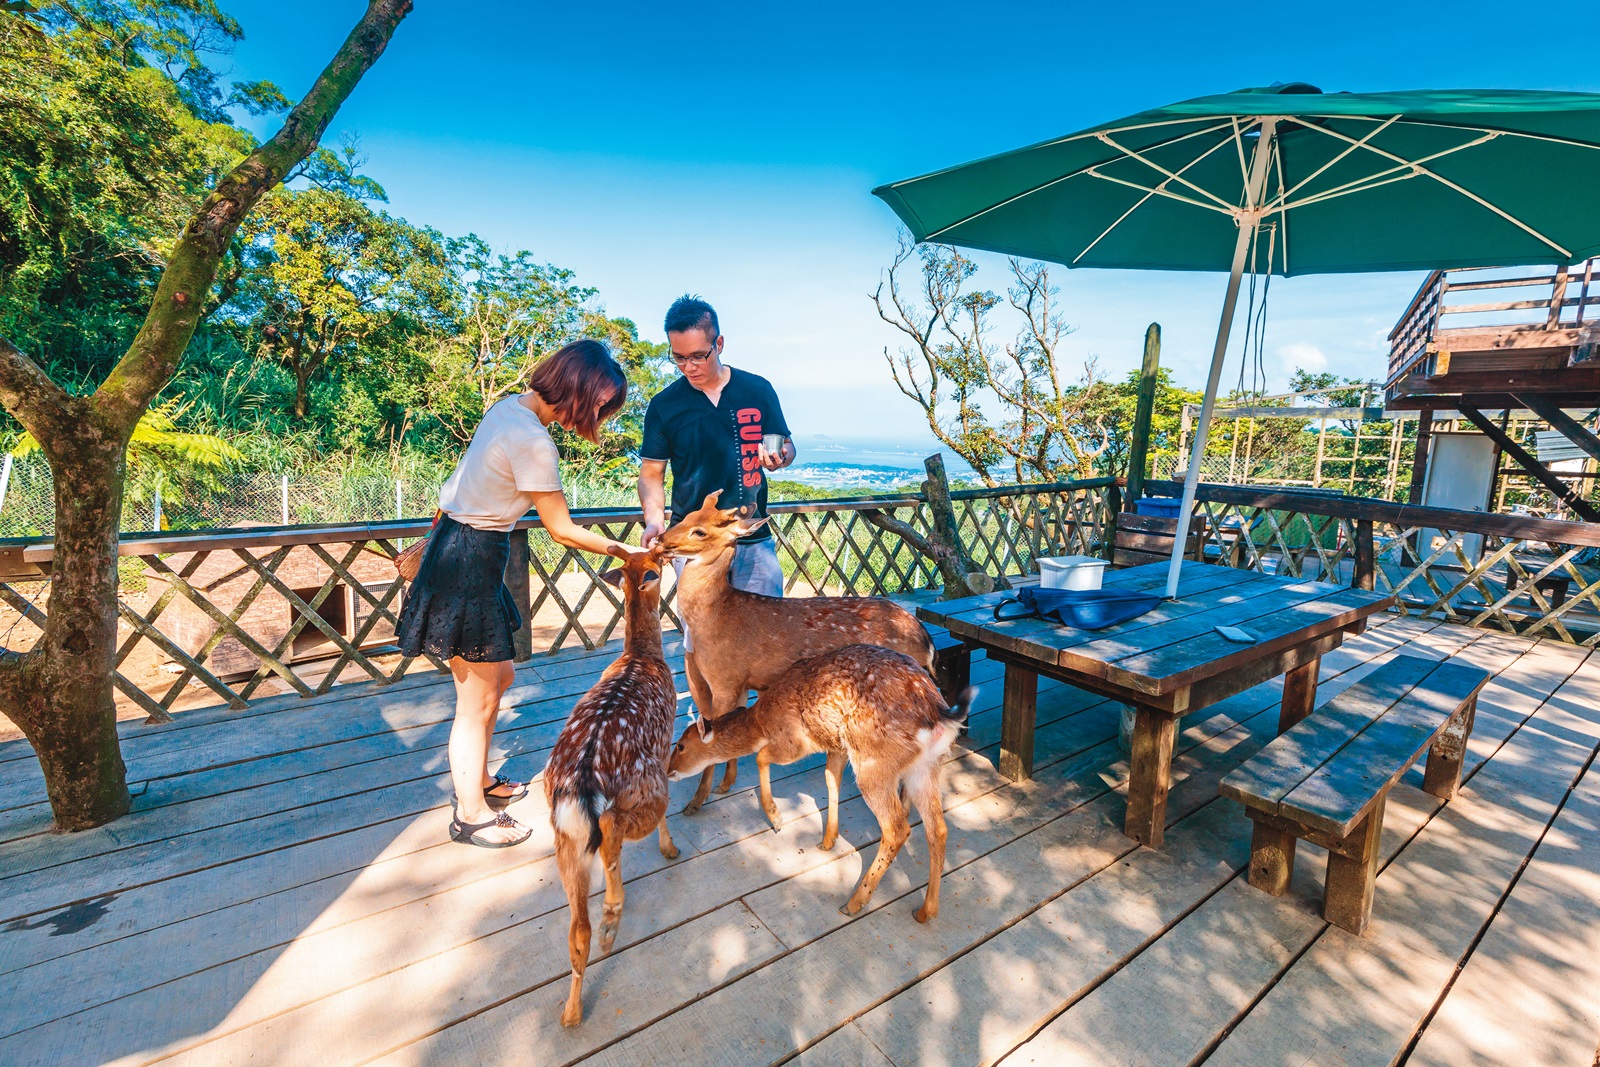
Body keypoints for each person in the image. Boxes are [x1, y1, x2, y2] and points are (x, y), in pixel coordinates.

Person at [398, 339, 640, 848]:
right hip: (468, 561)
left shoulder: (507, 408)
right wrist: (628, 552)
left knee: (498, 679)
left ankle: (480, 781)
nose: (600, 415)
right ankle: (470, 816)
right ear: (579, 390)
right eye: (601, 404)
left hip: (465, 552)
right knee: (475, 701)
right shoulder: (532, 438)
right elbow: (562, 529)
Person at [638, 295, 795, 710]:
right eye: (678, 358)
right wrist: (655, 520)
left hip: (750, 535)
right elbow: (651, 473)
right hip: (695, 545)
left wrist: (781, 456)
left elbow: (787, 445)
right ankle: (708, 720)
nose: (689, 366)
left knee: (767, 633)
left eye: (698, 356)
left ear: (719, 343)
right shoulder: (665, 406)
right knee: (699, 639)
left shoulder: (756, 389)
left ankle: (763, 721)